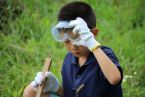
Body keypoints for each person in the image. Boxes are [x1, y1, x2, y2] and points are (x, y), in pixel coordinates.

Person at [23, 1, 123, 97]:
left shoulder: (104, 54)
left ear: (92, 34)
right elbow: (70, 94)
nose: (73, 46)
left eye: (78, 40)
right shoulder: (68, 60)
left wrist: (92, 44)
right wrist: (56, 88)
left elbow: (115, 79)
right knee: (31, 91)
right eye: (67, 41)